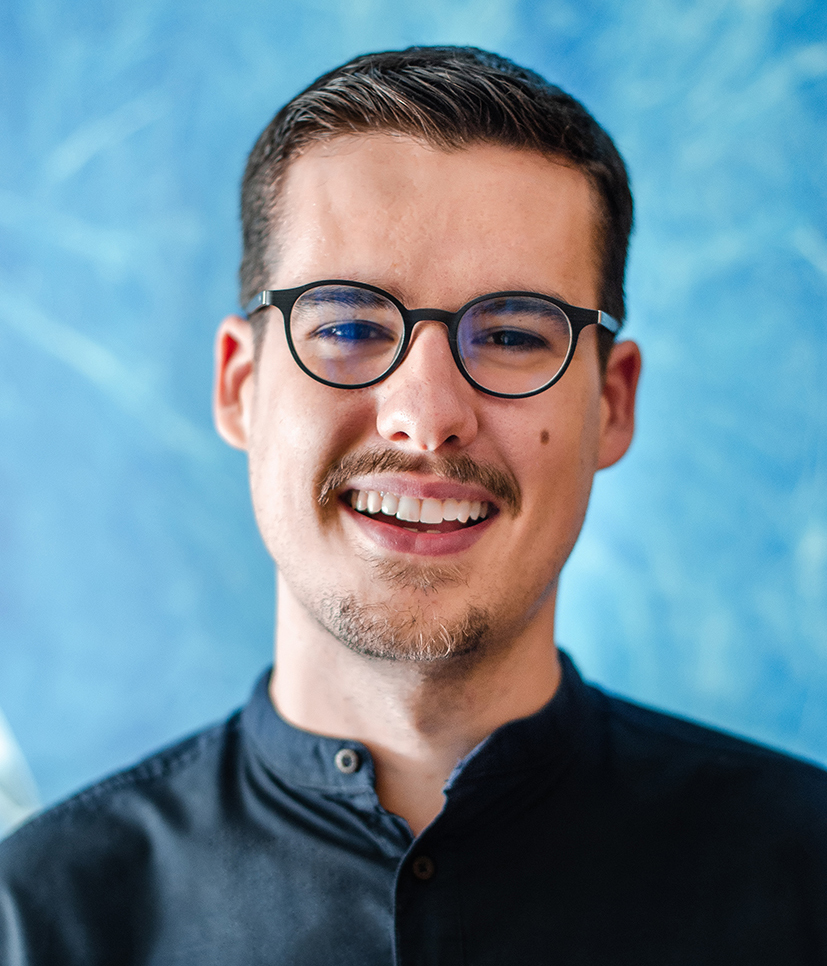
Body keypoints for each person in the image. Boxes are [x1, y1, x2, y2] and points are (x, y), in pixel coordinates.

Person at [1, 45, 825, 965]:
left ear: (612, 404)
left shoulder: (807, 879)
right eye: (348, 325)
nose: (427, 418)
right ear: (240, 387)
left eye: (511, 335)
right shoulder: (38, 918)